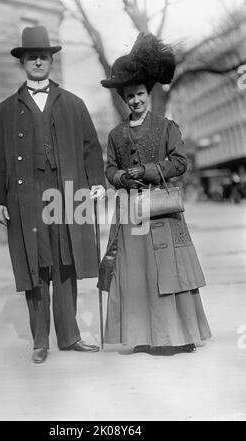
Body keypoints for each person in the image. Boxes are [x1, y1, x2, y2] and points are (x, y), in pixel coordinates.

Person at [0, 26, 106, 363]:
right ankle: (40, 341)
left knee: (65, 262)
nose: (38, 62)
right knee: (35, 265)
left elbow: (90, 149)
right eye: (31, 57)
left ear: (51, 61)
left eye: (44, 57)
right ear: (22, 62)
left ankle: (69, 336)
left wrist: (96, 180)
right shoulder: (4, 111)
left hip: (66, 193)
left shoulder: (73, 104)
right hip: (25, 197)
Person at [98, 33, 211, 355]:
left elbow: (179, 162)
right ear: (124, 99)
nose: (135, 101)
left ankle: (178, 334)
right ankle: (144, 335)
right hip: (131, 215)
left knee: (167, 271)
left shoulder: (166, 127)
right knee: (137, 273)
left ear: (149, 94)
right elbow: (109, 169)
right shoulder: (116, 134)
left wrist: (147, 172)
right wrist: (121, 176)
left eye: (140, 94)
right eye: (129, 96)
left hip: (162, 212)